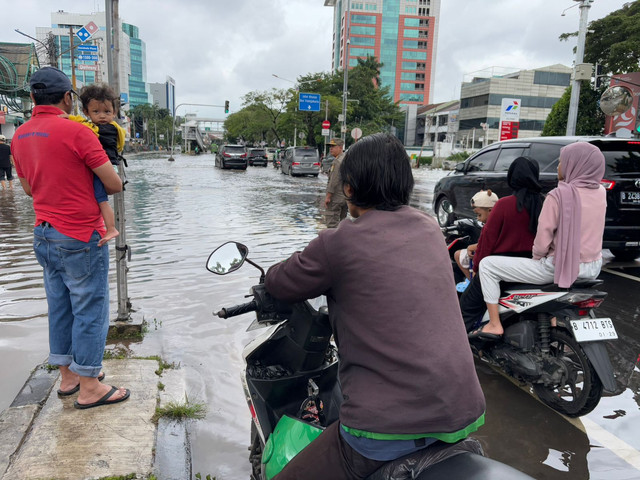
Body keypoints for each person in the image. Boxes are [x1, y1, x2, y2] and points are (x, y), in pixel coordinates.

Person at [265, 133, 485, 479]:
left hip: (384, 427)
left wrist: (269, 278)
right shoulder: (430, 229)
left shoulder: (339, 242)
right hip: (462, 412)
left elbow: (280, 282)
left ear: (349, 189)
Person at [11, 66, 130, 409]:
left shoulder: (19, 136)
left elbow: (30, 189)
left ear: (32, 98)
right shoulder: (78, 133)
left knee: (60, 307)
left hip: (44, 234)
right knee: (91, 309)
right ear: (67, 98)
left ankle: (68, 377)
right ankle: (91, 386)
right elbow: (112, 183)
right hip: (80, 234)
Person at [475, 144, 606, 337]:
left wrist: (537, 256)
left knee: (487, 265)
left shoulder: (558, 195)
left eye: (562, 161)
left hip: (559, 268)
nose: (558, 166)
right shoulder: (601, 192)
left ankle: (494, 323)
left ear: (574, 165)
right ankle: (551, 325)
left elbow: (543, 239)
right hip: (593, 268)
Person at [463, 157, 544, 334]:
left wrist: (476, 268)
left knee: (466, 308)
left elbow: (487, 241)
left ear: (512, 177)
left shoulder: (504, 204)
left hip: (500, 270)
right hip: (533, 269)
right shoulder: (544, 204)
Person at [68, 83, 126, 247]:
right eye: (96, 111)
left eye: (107, 112)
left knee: (101, 200)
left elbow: (85, 127)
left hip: (105, 168)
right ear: (86, 112)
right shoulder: (114, 128)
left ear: (114, 113)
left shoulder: (102, 129)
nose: (102, 116)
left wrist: (70, 118)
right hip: (109, 166)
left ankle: (111, 228)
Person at [454, 189, 499, 281]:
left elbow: (485, 246)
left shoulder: (489, 227)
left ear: (490, 210)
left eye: (479, 215)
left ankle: (472, 283)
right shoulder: (501, 222)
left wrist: (470, 247)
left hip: (487, 259)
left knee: (457, 255)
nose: (478, 219)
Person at [323, 138, 347, 228]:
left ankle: (333, 242)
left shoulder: (337, 162)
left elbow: (334, 180)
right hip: (345, 197)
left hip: (336, 197)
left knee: (332, 224)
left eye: (333, 146)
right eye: (330, 147)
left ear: (340, 148)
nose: (331, 149)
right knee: (342, 224)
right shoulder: (346, 159)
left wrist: (328, 196)